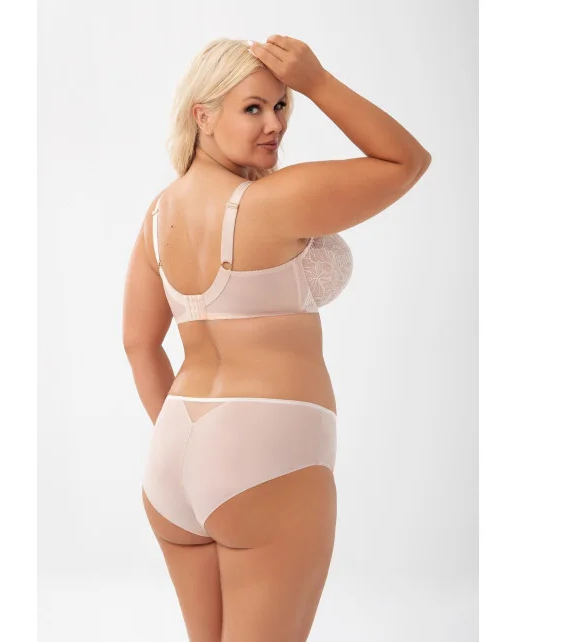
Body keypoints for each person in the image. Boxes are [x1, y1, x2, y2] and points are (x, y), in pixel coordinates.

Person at [122, 34, 431, 642]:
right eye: (253, 108)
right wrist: (318, 82)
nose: (275, 124)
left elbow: (139, 343)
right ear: (202, 116)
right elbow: (405, 162)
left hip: (174, 454)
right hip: (266, 457)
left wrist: (196, 451)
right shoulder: (272, 202)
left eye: (283, 104)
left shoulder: (159, 215)